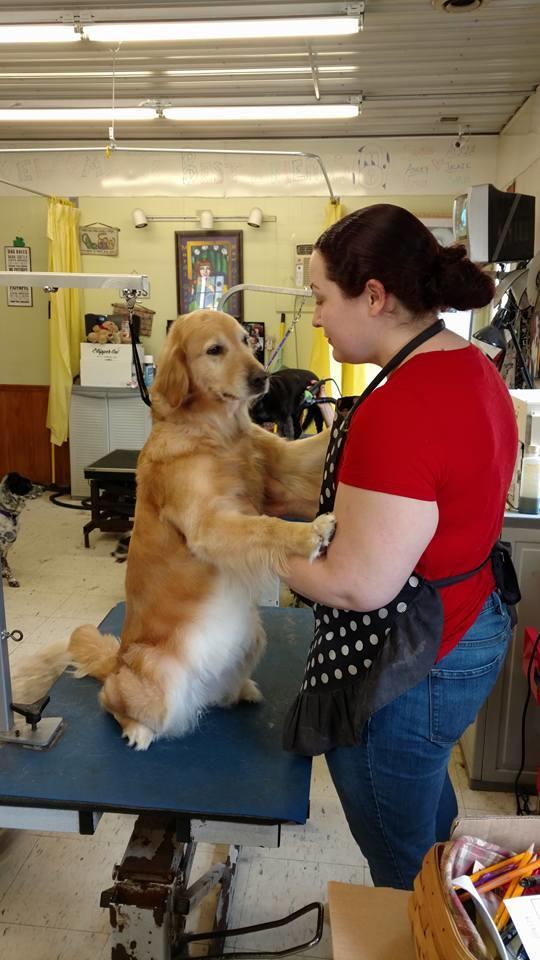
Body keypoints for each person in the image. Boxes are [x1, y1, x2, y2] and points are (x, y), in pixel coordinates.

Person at [265, 204, 517, 890]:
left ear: (373, 295)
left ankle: (425, 927)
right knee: (428, 820)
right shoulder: (469, 367)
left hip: (412, 662)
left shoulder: (401, 405)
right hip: (471, 623)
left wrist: (241, 543)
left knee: (403, 868)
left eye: (320, 298)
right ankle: (445, 897)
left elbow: (356, 584)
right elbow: (401, 507)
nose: (315, 317)